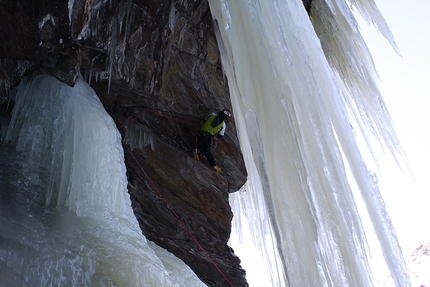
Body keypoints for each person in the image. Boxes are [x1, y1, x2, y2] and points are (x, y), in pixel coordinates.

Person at [193, 108, 232, 173]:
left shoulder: (212, 114)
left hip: (200, 134)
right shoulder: (223, 125)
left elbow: (205, 120)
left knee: (199, 144)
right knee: (207, 152)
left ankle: (196, 151)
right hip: (208, 138)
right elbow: (220, 135)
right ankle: (215, 166)